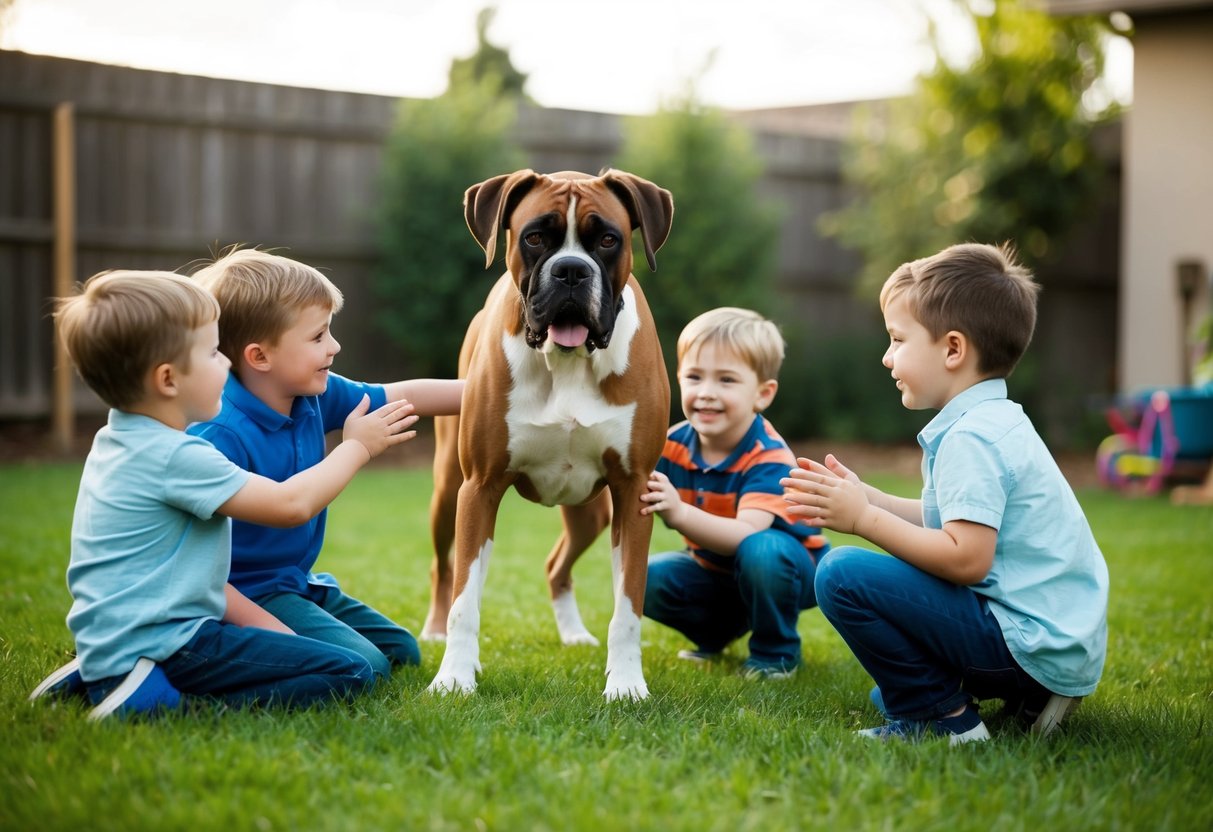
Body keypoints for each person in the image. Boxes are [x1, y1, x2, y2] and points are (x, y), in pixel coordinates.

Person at [30, 270, 417, 719]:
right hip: (178, 639)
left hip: (130, 630)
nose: (227, 364)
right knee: (352, 672)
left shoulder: (119, 440)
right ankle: (157, 704)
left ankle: (109, 672)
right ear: (168, 380)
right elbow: (289, 505)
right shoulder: (178, 456)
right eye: (213, 353)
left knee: (379, 654)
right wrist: (357, 446)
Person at [782, 243, 1109, 745]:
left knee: (841, 574)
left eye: (897, 339)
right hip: (1051, 643)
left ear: (953, 349)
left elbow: (966, 559)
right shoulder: (993, 420)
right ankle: (1022, 698)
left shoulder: (971, 439)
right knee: (887, 687)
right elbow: (953, 520)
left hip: (1028, 642)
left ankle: (943, 720)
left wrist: (863, 522)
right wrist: (868, 498)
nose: (887, 356)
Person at [186, 248, 463, 682]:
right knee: (364, 669)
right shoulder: (219, 433)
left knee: (401, 652)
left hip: (293, 582)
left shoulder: (314, 394)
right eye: (318, 337)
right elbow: (209, 561)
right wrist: (357, 446)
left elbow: (405, 395)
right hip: (244, 595)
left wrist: (499, 391)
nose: (334, 346)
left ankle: (306, 615)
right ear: (260, 357)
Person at [640, 307, 829, 679]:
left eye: (726, 380)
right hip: (715, 570)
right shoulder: (670, 445)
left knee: (762, 550)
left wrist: (679, 513)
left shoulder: (768, 456)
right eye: (694, 377)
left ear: (763, 394)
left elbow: (747, 534)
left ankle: (776, 652)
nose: (706, 393)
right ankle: (716, 633)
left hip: (788, 568)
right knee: (643, 579)